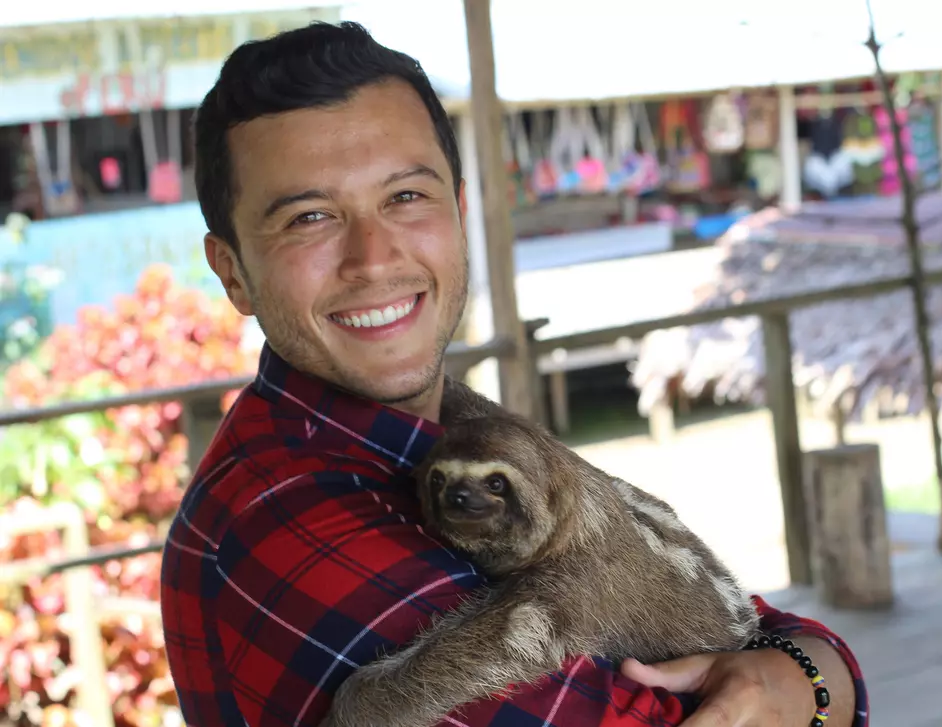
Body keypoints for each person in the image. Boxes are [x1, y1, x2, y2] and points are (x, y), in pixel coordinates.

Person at [160, 20, 869, 727]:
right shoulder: (288, 520)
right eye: (309, 216)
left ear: (459, 212)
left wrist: (800, 670)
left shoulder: (448, 430)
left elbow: (742, 622)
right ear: (233, 272)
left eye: (406, 196)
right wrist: (804, 678)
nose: (373, 258)